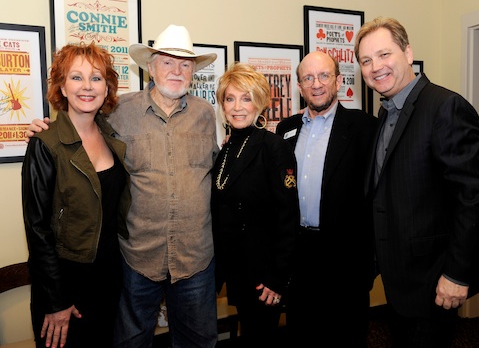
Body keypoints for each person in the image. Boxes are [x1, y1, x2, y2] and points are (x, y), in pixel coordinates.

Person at [26, 25, 220, 348]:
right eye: (168, 62)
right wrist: (45, 126)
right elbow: (77, 123)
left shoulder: (206, 115)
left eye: (185, 64)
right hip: (136, 261)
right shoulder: (119, 112)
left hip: (195, 261)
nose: (176, 71)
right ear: (151, 66)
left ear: (194, 72)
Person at [354, 16, 479, 347]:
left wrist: (456, 274)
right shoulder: (386, 113)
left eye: (384, 54)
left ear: (407, 52)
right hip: (400, 279)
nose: (376, 67)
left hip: (434, 280)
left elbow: (473, 194)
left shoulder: (444, 107)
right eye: (366, 60)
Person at [22, 42, 130, 348]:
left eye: (96, 78)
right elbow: (37, 229)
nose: (87, 87)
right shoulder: (45, 144)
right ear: (62, 87)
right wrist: (56, 301)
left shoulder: (112, 137)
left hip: (109, 278)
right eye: (76, 77)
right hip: (64, 283)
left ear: (107, 88)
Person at [275, 51, 378, 347]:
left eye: (323, 76)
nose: (316, 84)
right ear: (299, 86)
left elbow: (376, 197)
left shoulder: (365, 128)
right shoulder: (286, 129)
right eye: (308, 78)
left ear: (338, 81)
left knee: (346, 336)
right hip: (300, 253)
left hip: (345, 258)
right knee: (302, 332)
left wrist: (372, 260)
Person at [211, 62, 299, 347]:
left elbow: (288, 217)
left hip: (264, 277)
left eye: (246, 98)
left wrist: (277, 278)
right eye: (230, 98)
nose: (237, 107)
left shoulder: (274, 147)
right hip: (236, 270)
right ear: (222, 105)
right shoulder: (225, 149)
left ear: (260, 104)